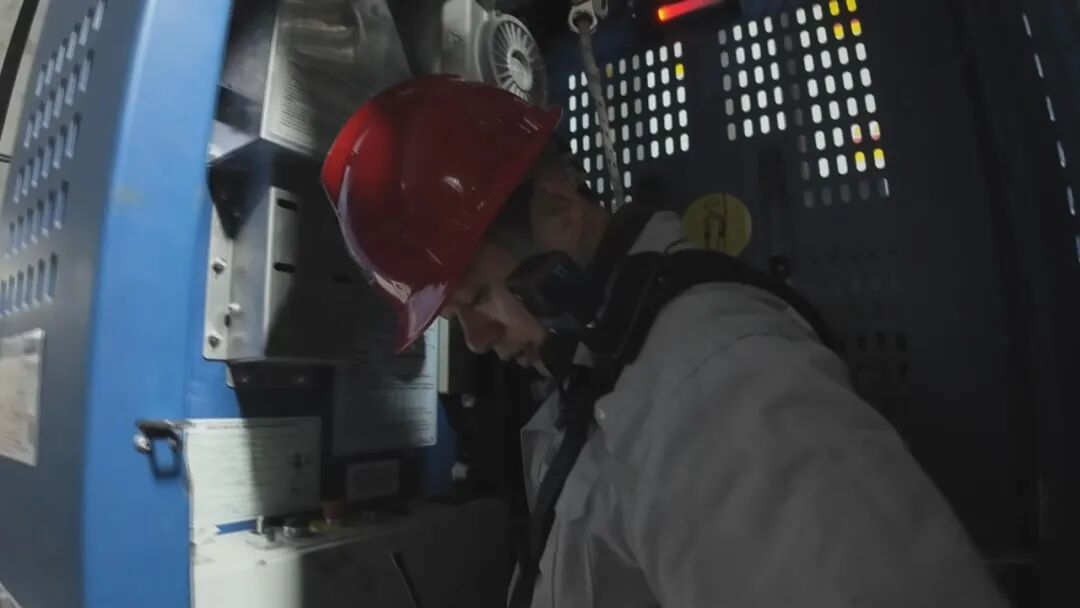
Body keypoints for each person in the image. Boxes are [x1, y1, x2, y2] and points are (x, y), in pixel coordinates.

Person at [321, 75, 1009, 607]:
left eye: (478, 297)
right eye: (454, 319)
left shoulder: (719, 381)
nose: (476, 339)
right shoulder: (606, 372)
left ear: (557, 207)